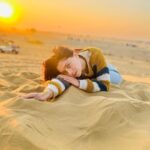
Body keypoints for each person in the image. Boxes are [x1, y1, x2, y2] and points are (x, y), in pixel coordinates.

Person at [23, 46, 121, 101]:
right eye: (65, 71)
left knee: (116, 79)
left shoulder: (95, 54)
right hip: (92, 77)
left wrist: (78, 83)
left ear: (74, 54)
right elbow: (61, 80)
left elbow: (104, 86)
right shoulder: (70, 73)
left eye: (68, 65)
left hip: (107, 68)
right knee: (81, 79)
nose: (70, 72)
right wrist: (46, 94)